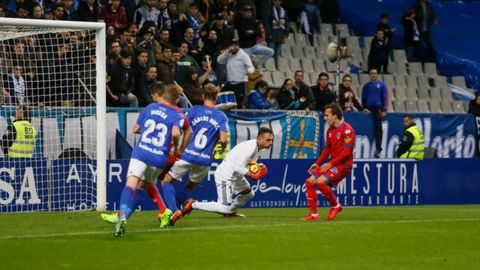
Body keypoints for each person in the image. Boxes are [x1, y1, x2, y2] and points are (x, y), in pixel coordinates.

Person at [113, 83, 185, 237]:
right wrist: (176, 146)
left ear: (163, 96)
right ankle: (163, 211)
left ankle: (122, 217)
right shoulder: (177, 114)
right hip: (159, 158)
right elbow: (176, 133)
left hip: (141, 153)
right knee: (144, 186)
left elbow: (135, 129)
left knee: (130, 184)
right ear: (177, 100)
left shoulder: (150, 108)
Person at [162, 84, 229, 225]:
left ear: (203, 96)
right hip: (205, 160)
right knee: (189, 187)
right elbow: (224, 139)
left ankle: (173, 211)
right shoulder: (221, 116)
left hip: (187, 154)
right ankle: (175, 211)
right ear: (217, 98)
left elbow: (180, 128)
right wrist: (221, 148)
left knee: (166, 181)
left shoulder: (193, 110)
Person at [184, 127, 273, 217]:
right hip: (226, 174)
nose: (271, 143)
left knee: (249, 194)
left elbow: (248, 163)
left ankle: (230, 212)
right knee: (223, 208)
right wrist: (252, 175)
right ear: (259, 138)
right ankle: (193, 204)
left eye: (271, 140)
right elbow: (238, 167)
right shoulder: (250, 147)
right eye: (268, 140)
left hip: (235, 175)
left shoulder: (259, 148)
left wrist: (259, 166)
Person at [301, 103, 355, 221]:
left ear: (335, 116)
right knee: (310, 182)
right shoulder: (330, 130)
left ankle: (336, 206)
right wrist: (318, 163)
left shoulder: (347, 131)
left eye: (327, 115)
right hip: (334, 163)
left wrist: (330, 163)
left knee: (320, 182)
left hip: (344, 165)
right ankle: (314, 215)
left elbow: (346, 152)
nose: (325, 118)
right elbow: (327, 148)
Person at [217, 38, 255, 108]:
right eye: (232, 45)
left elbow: (251, 67)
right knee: (223, 100)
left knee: (238, 103)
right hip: (230, 83)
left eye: (235, 45)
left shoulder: (244, 55)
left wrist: (249, 71)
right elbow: (219, 60)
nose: (233, 47)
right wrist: (227, 52)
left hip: (240, 83)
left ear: (238, 46)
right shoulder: (228, 54)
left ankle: (237, 118)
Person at [362, 68, 388, 158]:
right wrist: (364, 108)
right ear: (369, 74)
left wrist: (384, 110)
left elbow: (385, 97)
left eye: (375, 73)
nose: (373, 75)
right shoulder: (366, 86)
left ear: (377, 74)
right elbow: (363, 98)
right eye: (371, 73)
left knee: (378, 130)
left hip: (378, 109)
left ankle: (378, 149)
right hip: (369, 109)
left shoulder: (382, 85)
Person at [265, 0, 289, 66]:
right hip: (272, 35)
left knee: (277, 55)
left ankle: (275, 68)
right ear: (273, 1)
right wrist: (268, 33)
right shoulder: (269, 10)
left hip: (280, 35)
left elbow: (286, 23)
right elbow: (267, 23)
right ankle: (269, 67)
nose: (278, 2)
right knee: (270, 53)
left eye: (279, 1)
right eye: (276, 1)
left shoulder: (284, 11)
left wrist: (286, 35)